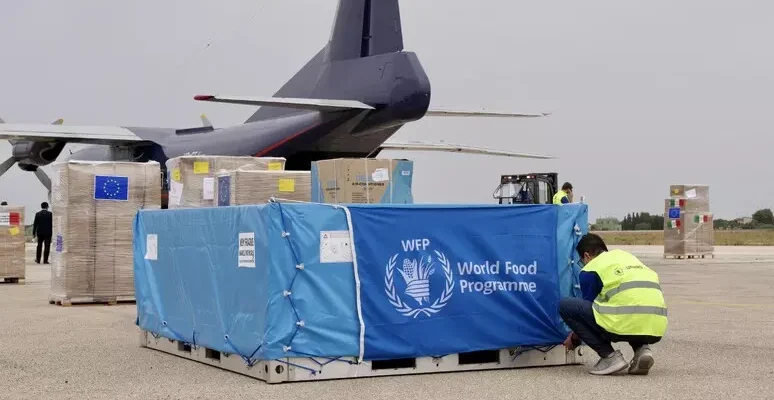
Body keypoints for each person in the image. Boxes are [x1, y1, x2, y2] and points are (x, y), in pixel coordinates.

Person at [559, 233, 667, 376]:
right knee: (631, 307)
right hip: (655, 326)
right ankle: (643, 350)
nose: (583, 265)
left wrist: (574, 340)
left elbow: (587, 315)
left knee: (566, 305)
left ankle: (609, 357)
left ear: (586, 256)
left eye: (582, 261)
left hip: (624, 323)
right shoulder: (626, 257)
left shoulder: (591, 269)